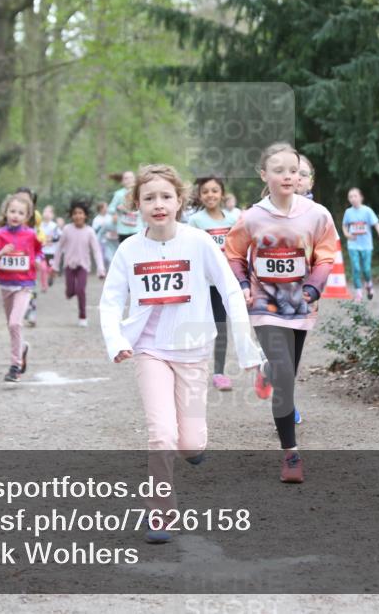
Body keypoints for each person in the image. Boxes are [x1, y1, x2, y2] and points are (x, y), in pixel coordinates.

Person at [99, 164, 263, 543]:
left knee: (189, 442)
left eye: (166, 197)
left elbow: (229, 290)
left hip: (193, 351)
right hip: (149, 350)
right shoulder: (128, 250)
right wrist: (117, 341)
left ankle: (193, 449)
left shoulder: (198, 242)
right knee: (161, 435)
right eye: (149, 198)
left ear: (180, 201)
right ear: (136, 205)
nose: (158, 204)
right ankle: (161, 515)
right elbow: (110, 303)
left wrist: (247, 350)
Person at [224, 142, 336, 484]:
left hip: (301, 305)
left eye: (293, 170)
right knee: (285, 375)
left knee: (287, 370)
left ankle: (268, 371)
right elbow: (232, 253)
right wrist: (243, 283)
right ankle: (291, 453)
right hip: (264, 304)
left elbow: (326, 254)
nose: (288, 176)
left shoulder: (318, 215)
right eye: (279, 170)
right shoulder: (253, 216)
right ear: (264, 175)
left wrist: (314, 287)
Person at [0, 193, 43, 383]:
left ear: (27, 216)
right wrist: (0, 254)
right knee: (12, 326)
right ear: (6, 212)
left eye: (20, 212)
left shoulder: (30, 235)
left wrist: (39, 262)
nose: (15, 215)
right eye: (12, 211)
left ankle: (15, 366)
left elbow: (39, 253)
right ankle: (22, 348)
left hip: (25, 285)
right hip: (6, 285)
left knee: (15, 323)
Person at [187, 176, 238, 391]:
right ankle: (192, 370)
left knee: (221, 327)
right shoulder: (196, 222)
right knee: (199, 327)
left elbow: (237, 251)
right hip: (201, 284)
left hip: (222, 283)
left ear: (222, 194)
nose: (210, 195)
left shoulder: (233, 220)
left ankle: (218, 372)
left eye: (215, 191)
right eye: (206, 191)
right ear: (200, 195)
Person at [52, 202, 105, 327]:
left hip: (83, 266)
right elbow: (59, 248)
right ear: (71, 215)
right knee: (70, 292)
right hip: (69, 266)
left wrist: (100, 269)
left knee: (81, 290)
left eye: (80, 213)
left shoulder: (90, 231)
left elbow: (96, 251)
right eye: (75, 213)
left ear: (85, 215)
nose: (78, 216)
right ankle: (70, 292)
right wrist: (55, 266)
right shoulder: (67, 229)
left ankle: (83, 316)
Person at [342, 187, 379, 301]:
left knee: (366, 269)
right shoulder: (348, 212)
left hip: (366, 245)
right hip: (353, 245)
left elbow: (377, 225)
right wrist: (347, 234)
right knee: (356, 268)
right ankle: (358, 293)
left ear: (361, 197)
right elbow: (344, 226)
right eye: (350, 196)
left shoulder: (367, 211)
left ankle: (369, 284)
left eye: (355, 196)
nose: (352, 198)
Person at [16, 188, 44, 326]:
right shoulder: (11, 215)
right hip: (15, 257)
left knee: (30, 285)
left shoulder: (36, 216)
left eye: (26, 199)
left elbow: (40, 232)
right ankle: (19, 312)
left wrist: (40, 242)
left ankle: (31, 311)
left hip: (30, 257)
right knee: (17, 287)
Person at [108, 170, 141, 242]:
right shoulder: (118, 194)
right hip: (123, 230)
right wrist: (117, 209)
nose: (129, 180)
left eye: (131, 177)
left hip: (138, 229)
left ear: (135, 179)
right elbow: (110, 209)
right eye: (126, 178)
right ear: (122, 181)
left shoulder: (140, 192)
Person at [92, 200, 118, 271]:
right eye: (106, 207)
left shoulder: (110, 217)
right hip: (102, 242)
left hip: (112, 241)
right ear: (101, 209)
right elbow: (95, 232)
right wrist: (102, 227)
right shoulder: (96, 219)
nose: (107, 208)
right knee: (105, 259)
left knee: (111, 259)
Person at [41, 205, 61, 287]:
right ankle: (44, 285)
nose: (47, 214)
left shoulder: (54, 226)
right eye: (45, 211)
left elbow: (60, 237)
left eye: (49, 212)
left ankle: (51, 277)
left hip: (52, 252)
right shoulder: (39, 225)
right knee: (43, 268)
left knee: (51, 269)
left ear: (53, 215)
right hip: (42, 252)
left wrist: (51, 240)